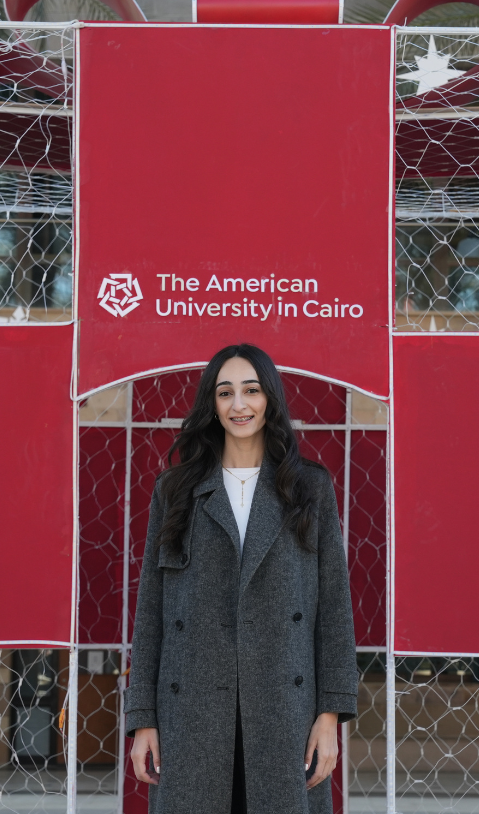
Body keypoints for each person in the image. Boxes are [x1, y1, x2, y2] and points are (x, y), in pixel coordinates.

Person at [125, 345, 358, 814]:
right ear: (211, 404)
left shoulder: (309, 488)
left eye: (251, 391)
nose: (239, 405)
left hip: (284, 711)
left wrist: (329, 716)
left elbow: (334, 608)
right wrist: (143, 718)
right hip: (190, 712)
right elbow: (152, 610)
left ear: (269, 398)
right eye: (225, 392)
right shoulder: (176, 491)